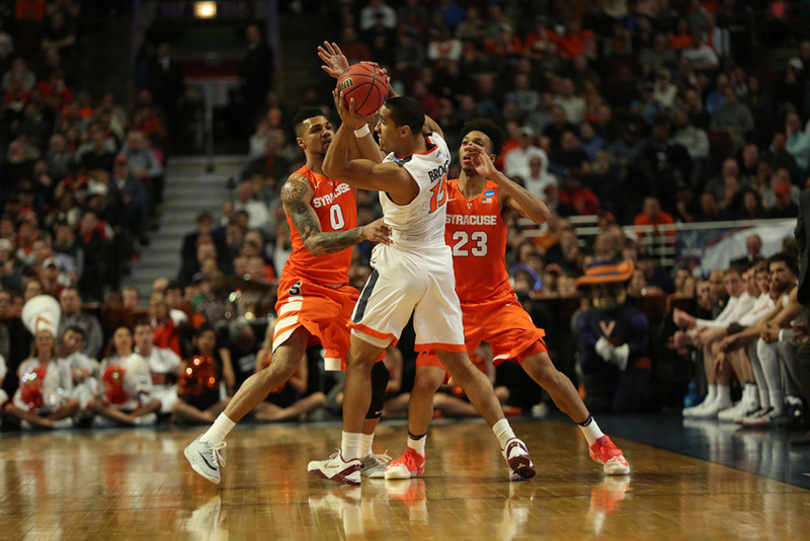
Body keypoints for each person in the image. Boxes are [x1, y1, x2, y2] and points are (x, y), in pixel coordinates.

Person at [307, 43, 535, 485]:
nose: (376, 128)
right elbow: (390, 125)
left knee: (360, 358)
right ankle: (509, 439)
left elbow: (336, 170)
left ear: (404, 132)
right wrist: (353, 82)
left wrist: (348, 118)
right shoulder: (439, 146)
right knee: (461, 364)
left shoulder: (398, 175)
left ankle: (350, 457)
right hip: (438, 266)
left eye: (383, 126)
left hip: (401, 263)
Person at [386, 119, 630, 480]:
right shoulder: (441, 189)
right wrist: (390, 98)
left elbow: (542, 216)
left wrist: (497, 176)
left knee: (544, 371)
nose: (469, 147)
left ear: (493, 155)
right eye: (465, 142)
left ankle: (600, 443)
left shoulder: (498, 192)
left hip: (498, 301)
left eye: (478, 143)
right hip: (450, 305)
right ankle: (413, 456)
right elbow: (420, 126)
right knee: (424, 382)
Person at [184, 106, 391, 484]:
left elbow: (377, 156)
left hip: (339, 289)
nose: (326, 133)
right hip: (304, 284)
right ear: (301, 142)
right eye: (316, 130)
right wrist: (362, 232)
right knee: (282, 367)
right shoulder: (297, 185)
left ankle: (360, 457)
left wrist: (353, 99)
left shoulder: (346, 167)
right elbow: (312, 243)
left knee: (375, 369)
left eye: (329, 126)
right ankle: (208, 441)